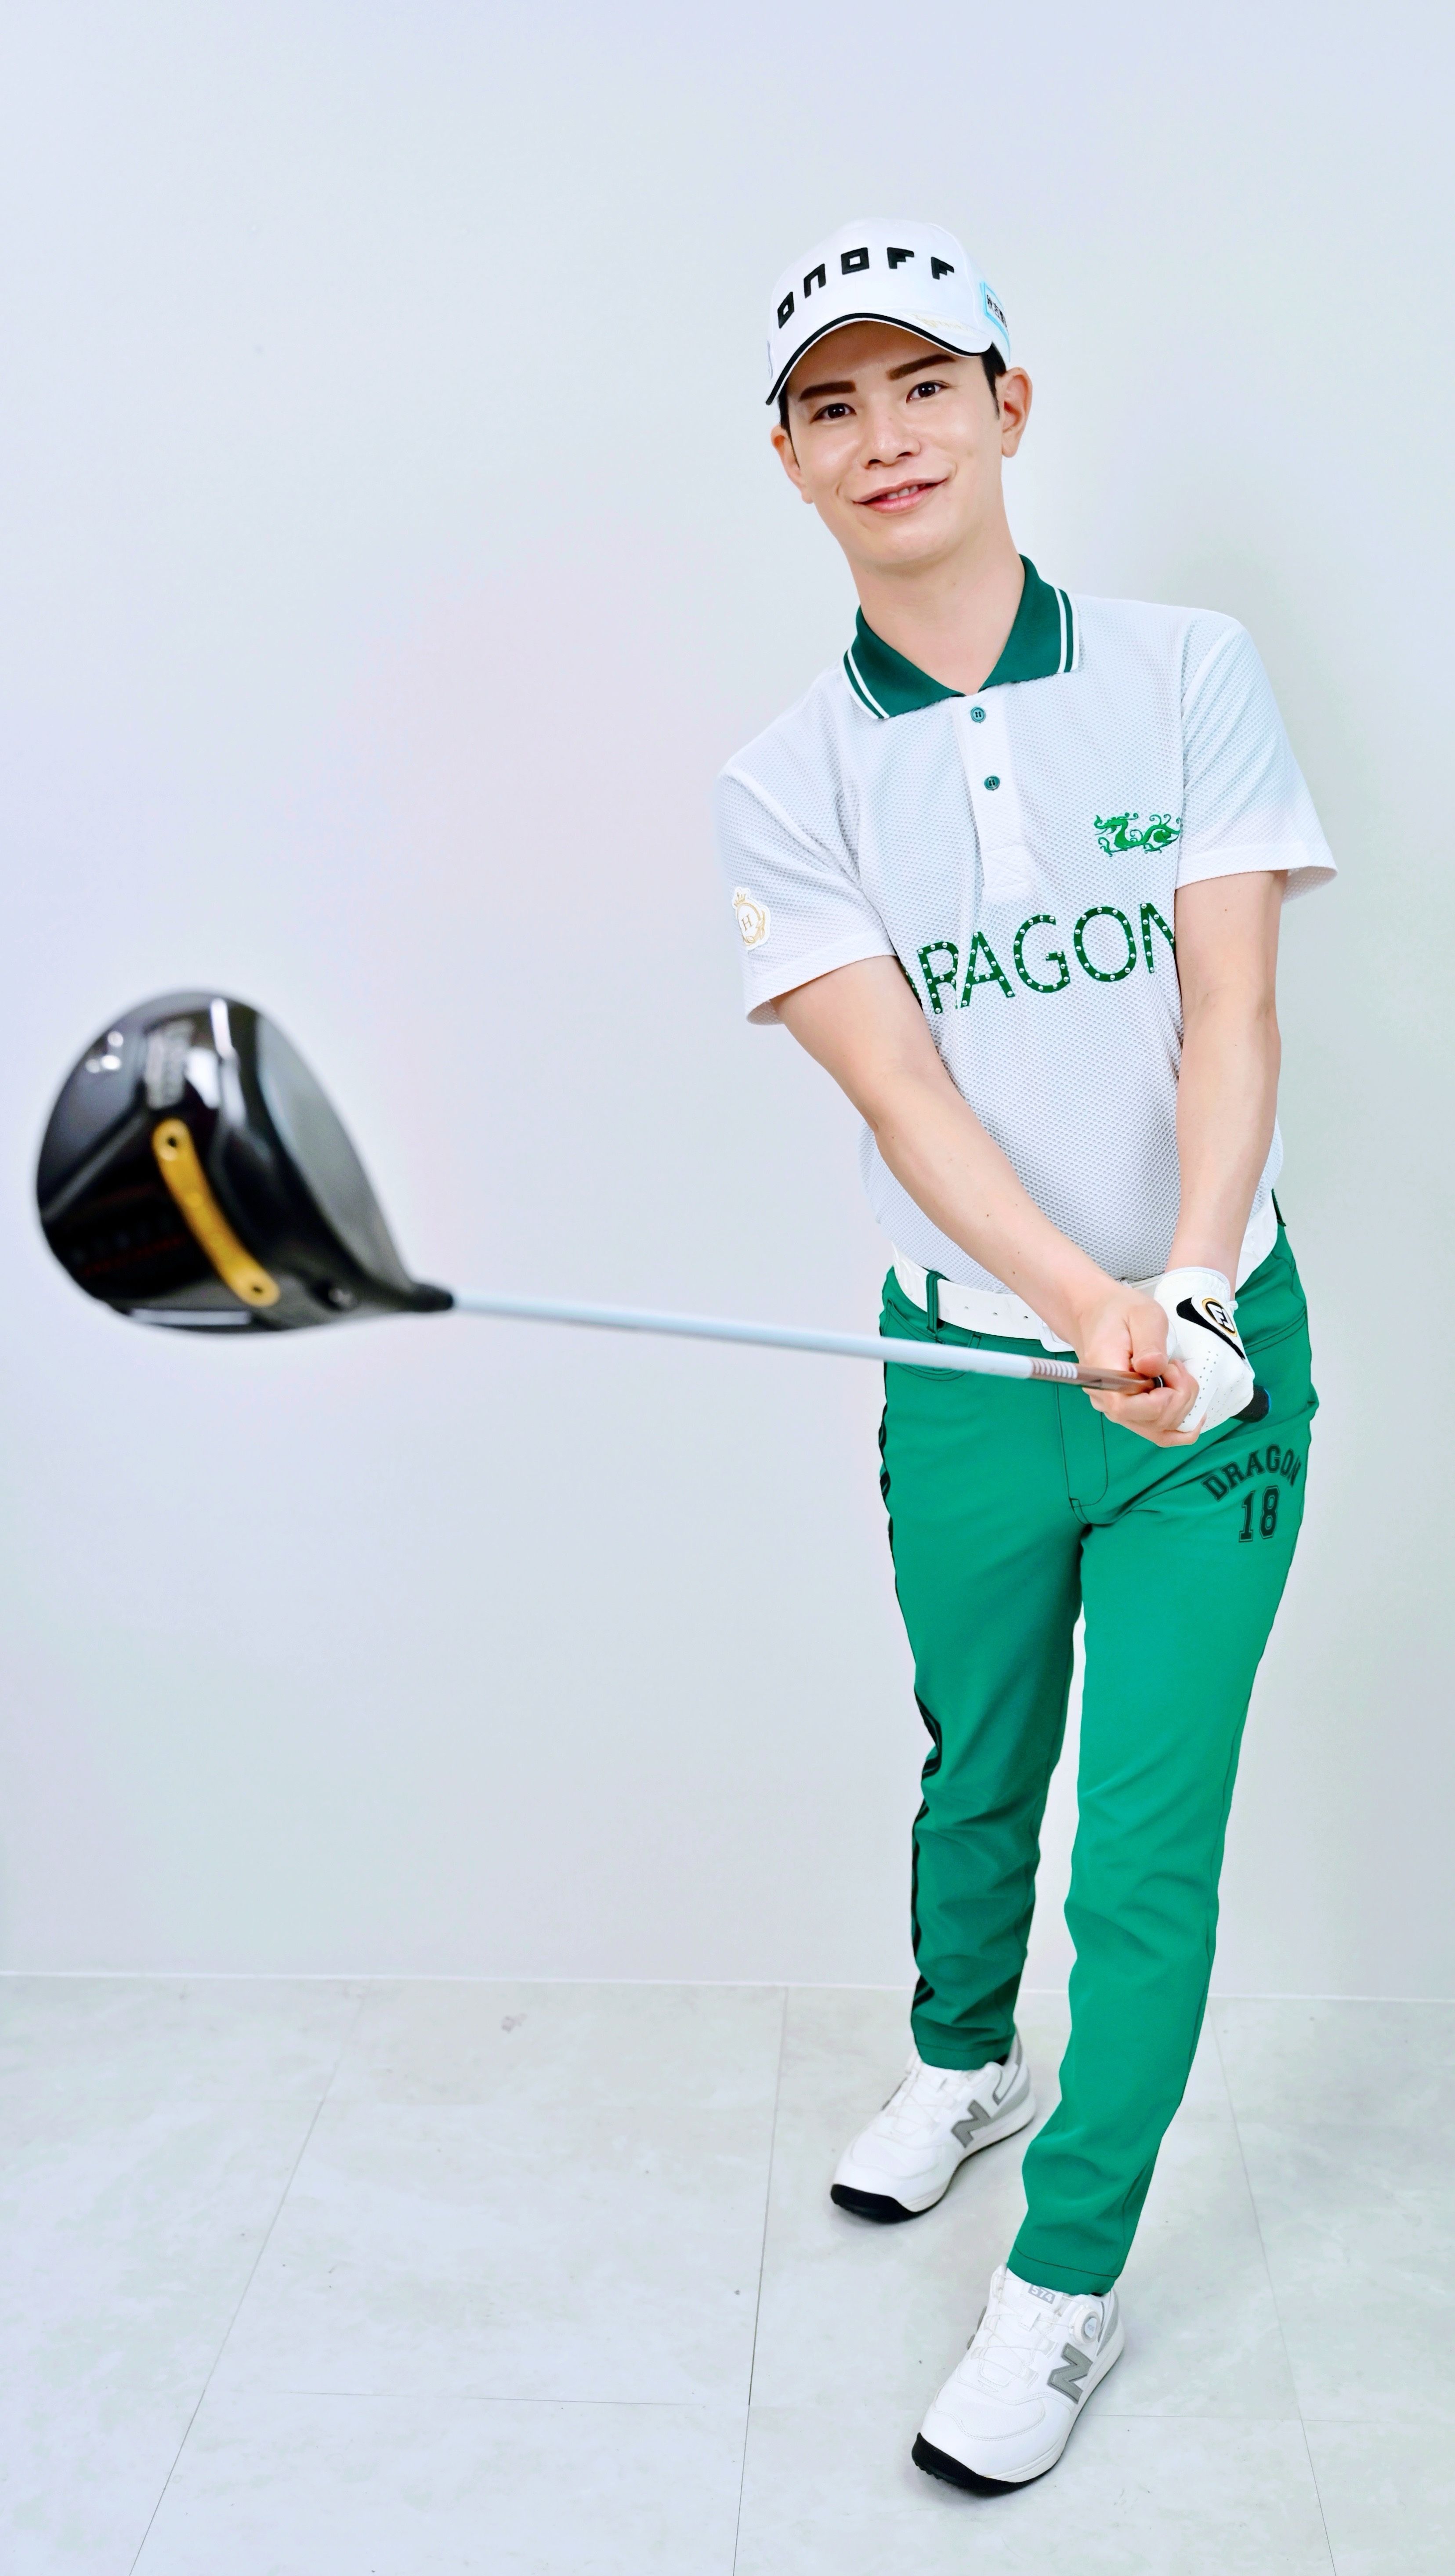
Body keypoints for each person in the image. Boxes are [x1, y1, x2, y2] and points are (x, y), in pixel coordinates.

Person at [713, 217, 1333, 2494]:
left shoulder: (1183, 671)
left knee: (1142, 1851)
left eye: (925, 386)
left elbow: (1230, 1005)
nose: (888, 437)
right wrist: (1083, 1312)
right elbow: (904, 1094)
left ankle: (1062, 2285)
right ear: (789, 458)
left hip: (1212, 1377)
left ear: (1009, 407)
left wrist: (1189, 1290)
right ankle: (965, 2059)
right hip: (975, 1376)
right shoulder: (784, 778)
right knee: (979, 1761)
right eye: (835, 405)